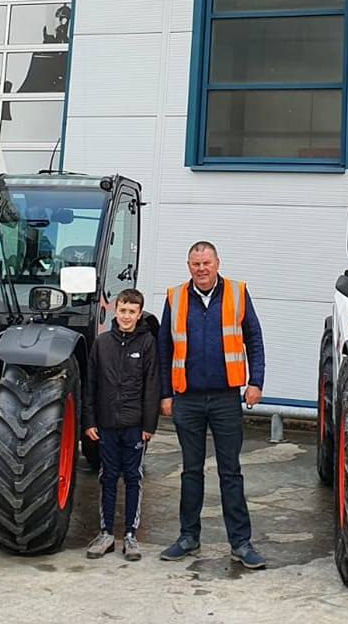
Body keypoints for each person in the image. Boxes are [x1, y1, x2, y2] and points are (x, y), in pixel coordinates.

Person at [156, 241, 267, 569]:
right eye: (195, 264)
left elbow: (254, 338)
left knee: (230, 472)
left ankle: (241, 543)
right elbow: (164, 349)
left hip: (225, 398)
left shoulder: (237, 293)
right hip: (187, 399)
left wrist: (256, 381)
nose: (201, 269)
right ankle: (188, 537)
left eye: (206, 263)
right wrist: (165, 394)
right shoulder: (175, 297)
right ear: (188, 266)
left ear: (218, 263)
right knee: (190, 471)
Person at [83, 288, 159, 562]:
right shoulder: (102, 343)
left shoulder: (147, 344)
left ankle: (130, 535)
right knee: (108, 476)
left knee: (133, 477)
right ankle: (105, 534)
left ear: (139, 314)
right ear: (116, 310)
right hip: (106, 425)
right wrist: (89, 421)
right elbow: (91, 385)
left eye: (132, 312)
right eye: (123, 310)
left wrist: (149, 425)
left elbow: (152, 386)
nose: (127, 316)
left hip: (134, 425)